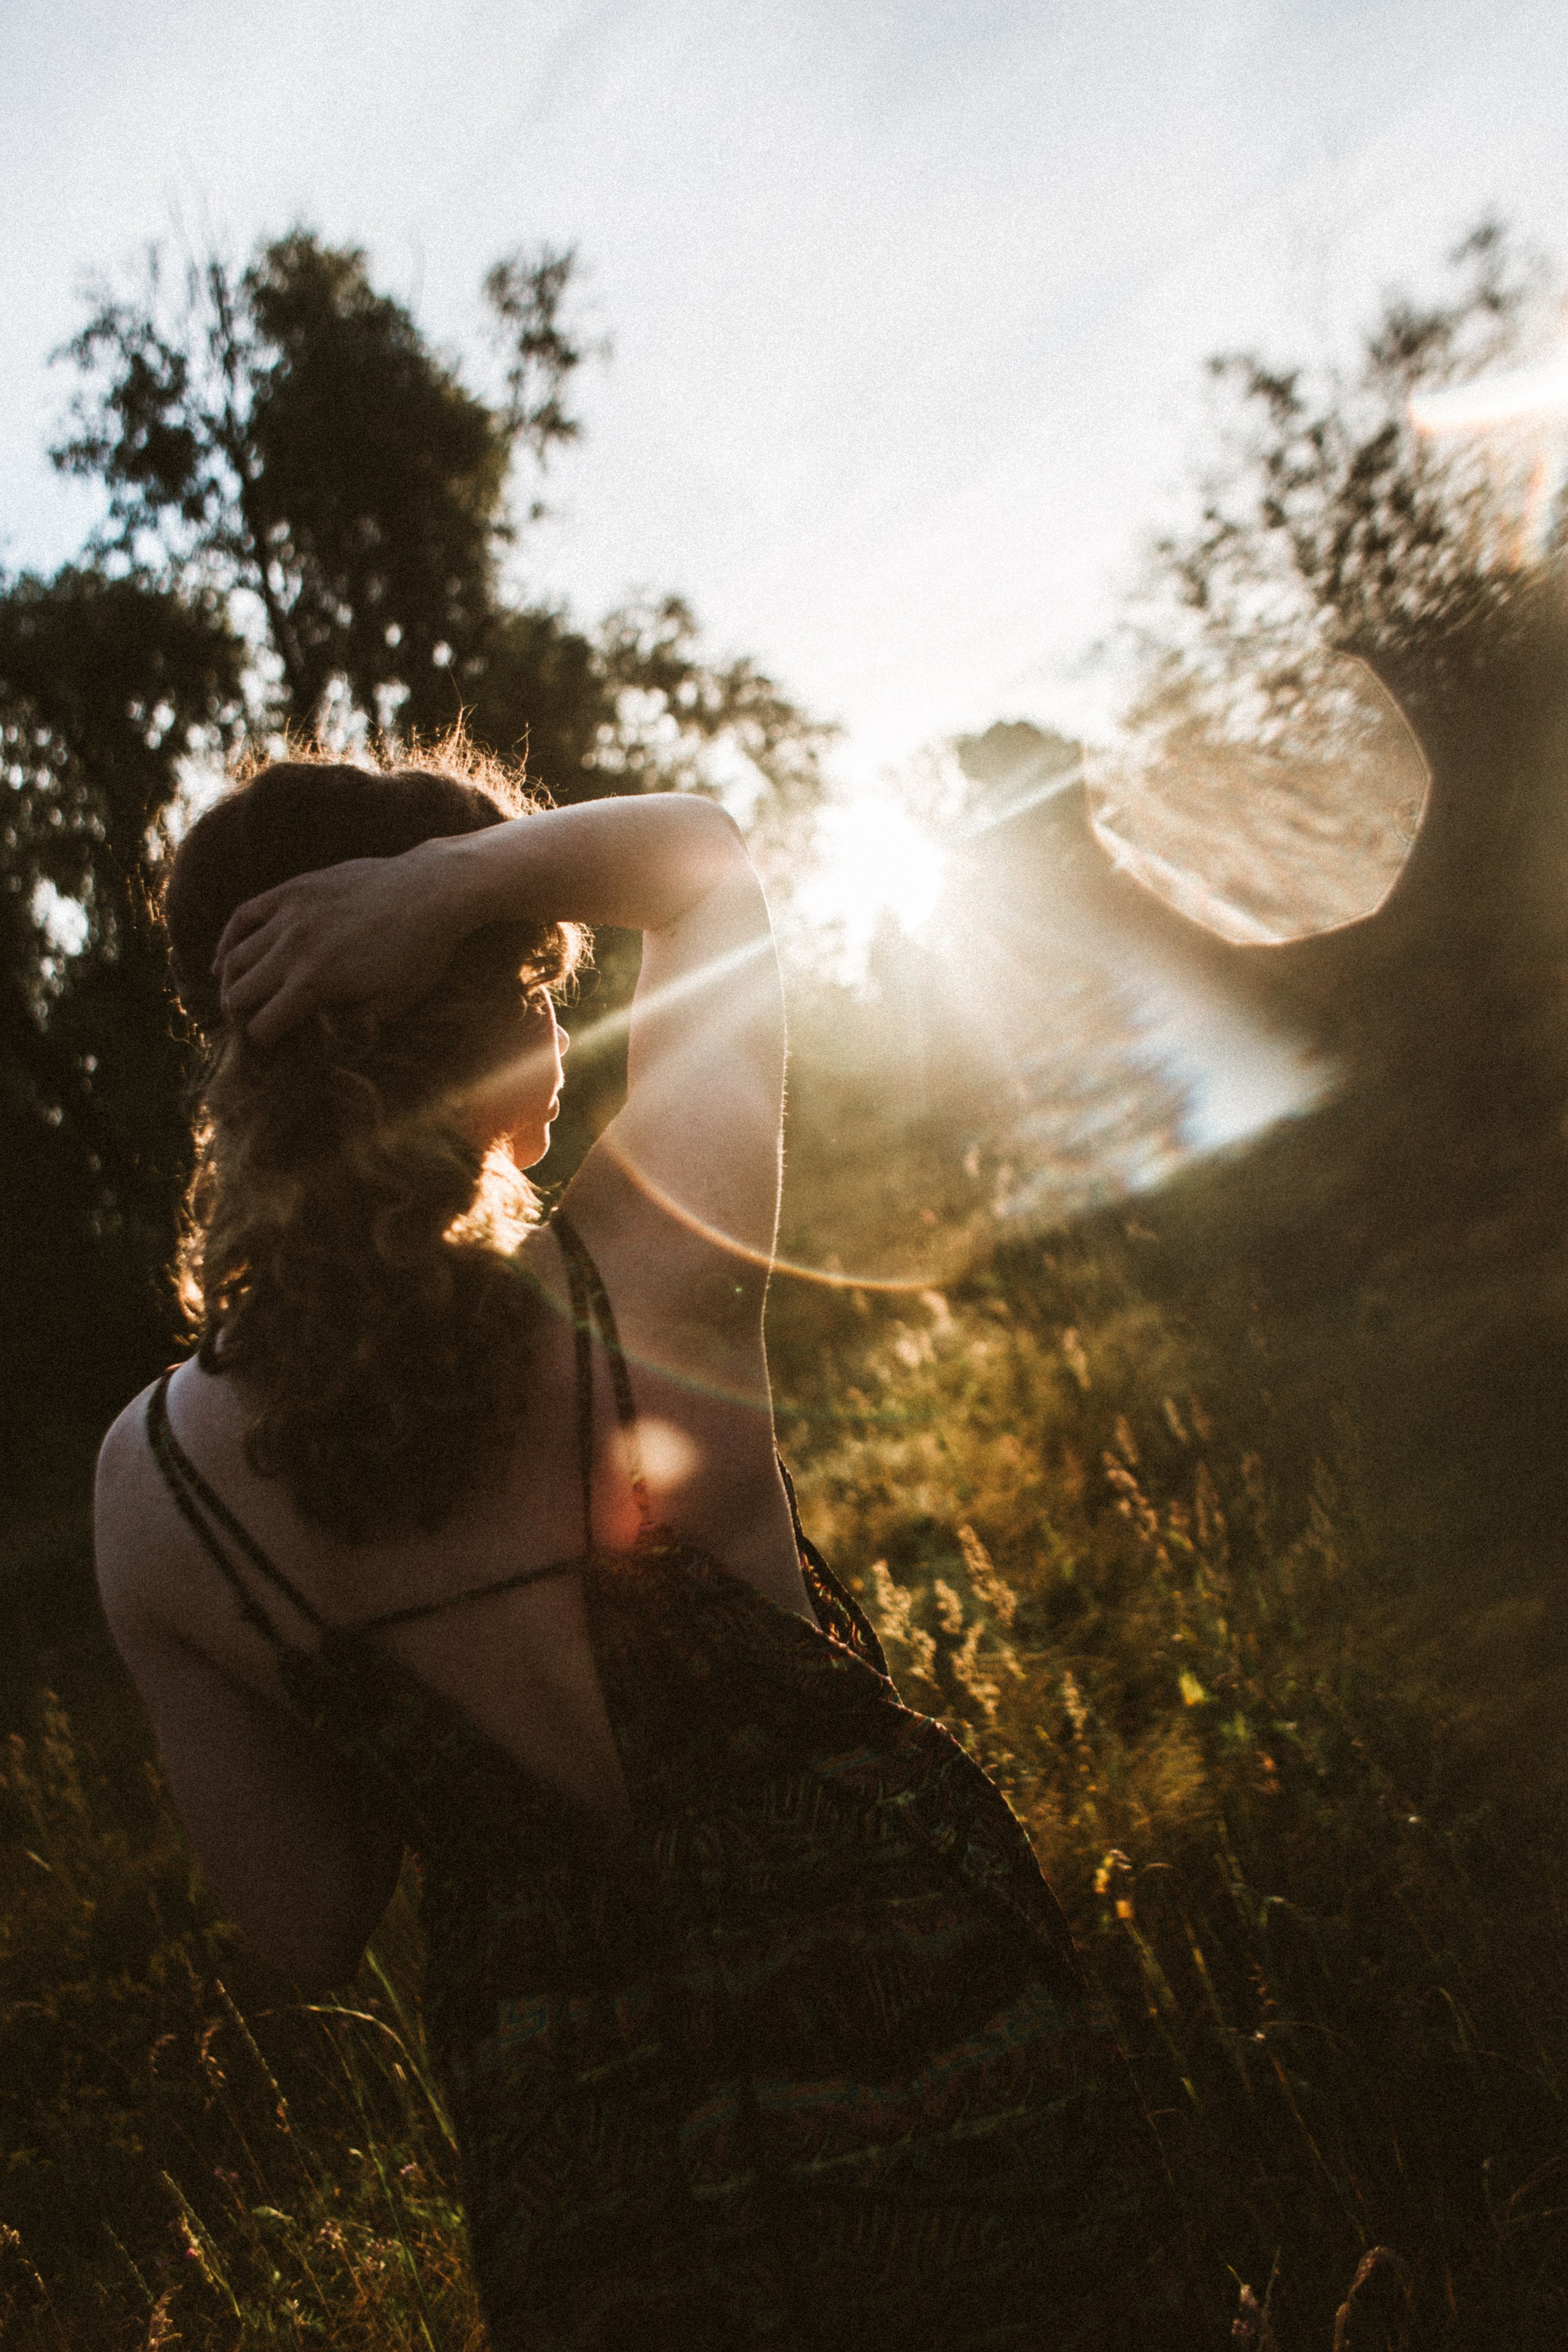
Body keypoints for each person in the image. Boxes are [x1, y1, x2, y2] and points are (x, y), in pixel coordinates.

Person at [92, 743, 1186, 2350]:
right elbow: (705, 864)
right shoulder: (657, 1264)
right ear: (519, 1027)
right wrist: (456, 885)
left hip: (603, 2192)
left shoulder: (151, 1488)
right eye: (541, 982)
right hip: (933, 2028)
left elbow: (310, 1917)